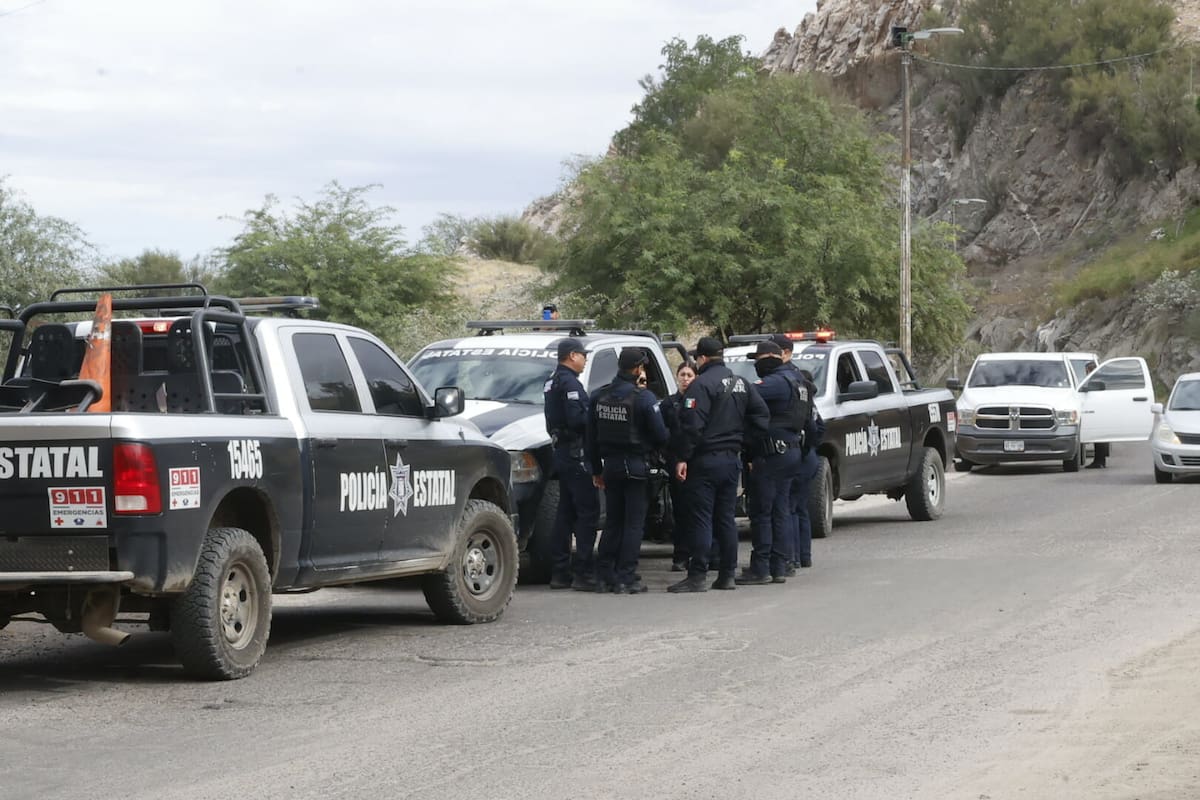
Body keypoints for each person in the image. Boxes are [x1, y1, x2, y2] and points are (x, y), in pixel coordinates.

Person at [668, 337, 769, 593]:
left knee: (701, 518)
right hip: (731, 460)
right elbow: (761, 416)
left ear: (701, 358)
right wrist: (742, 441)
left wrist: (682, 457)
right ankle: (727, 575)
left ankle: (698, 575)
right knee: (726, 519)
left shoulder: (701, 385)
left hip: (704, 461)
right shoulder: (741, 383)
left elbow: (692, 426)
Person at [587, 348, 669, 594]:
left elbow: (590, 438)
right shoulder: (643, 398)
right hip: (635, 466)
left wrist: (596, 469)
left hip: (610, 467)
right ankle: (626, 576)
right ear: (637, 369)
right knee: (633, 524)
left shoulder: (598, 396)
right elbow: (661, 435)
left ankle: (604, 576)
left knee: (613, 521)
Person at [736, 340, 806, 585]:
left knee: (762, 512)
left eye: (758, 359)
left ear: (769, 358)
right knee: (781, 511)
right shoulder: (798, 381)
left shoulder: (776, 382)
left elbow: (743, 399)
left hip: (772, 455)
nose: (756, 364)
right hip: (792, 451)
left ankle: (761, 567)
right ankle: (779, 566)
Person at [543, 337, 602, 591]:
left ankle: (559, 571)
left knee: (565, 514)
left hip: (561, 452)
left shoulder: (551, 381)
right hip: (576, 453)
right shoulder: (570, 384)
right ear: (571, 356)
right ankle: (583, 572)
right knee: (588, 512)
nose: (585, 359)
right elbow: (578, 420)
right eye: (583, 355)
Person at [773, 334, 821, 571]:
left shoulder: (789, 380)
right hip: (804, 453)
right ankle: (804, 556)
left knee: (789, 506)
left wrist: (803, 448)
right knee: (799, 506)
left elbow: (813, 426)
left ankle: (790, 558)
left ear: (786, 353)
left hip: (794, 452)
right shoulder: (801, 381)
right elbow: (817, 426)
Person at [660, 360, 697, 571]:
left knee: (698, 511)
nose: (685, 379)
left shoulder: (702, 400)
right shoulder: (669, 403)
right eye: (682, 375)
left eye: (689, 375)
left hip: (696, 461)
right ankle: (681, 555)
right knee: (681, 511)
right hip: (675, 463)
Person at [1083, 360, 1110, 469]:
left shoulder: (1094, 381)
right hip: (1102, 411)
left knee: (1099, 439)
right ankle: (1100, 461)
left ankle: (1099, 461)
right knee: (1100, 438)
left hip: (1097, 412)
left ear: (1089, 370)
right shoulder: (1100, 381)